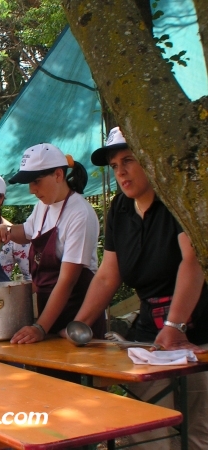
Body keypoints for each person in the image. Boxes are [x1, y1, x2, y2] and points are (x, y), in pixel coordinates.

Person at [66, 127, 208, 450]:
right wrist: (80, 324)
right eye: (115, 166)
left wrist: (175, 326)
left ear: (149, 159)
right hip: (148, 336)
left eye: (128, 160)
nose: (121, 171)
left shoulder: (177, 198)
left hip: (195, 332)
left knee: (194, 433)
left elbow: (193, 263)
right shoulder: (119, 209)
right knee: (146, 432)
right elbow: (107, 275)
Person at [0, 143, 102, 343]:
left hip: (77, 317)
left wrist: (40, 327)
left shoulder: (80, 214)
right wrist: (7, 231)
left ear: (58, 175)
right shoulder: (43, 206)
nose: (32, 190)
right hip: (47, 315)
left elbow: (67, 281)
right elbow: (26, 232)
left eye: (36, 181)